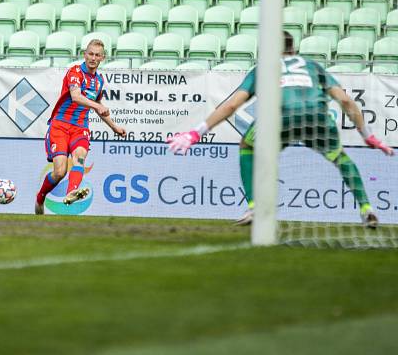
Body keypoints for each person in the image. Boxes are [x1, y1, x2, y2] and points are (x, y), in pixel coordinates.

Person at [168, 31, 394, 228]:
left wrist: (196, 133)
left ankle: (255, 207)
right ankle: (366, 207)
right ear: (293, 49)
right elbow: (345, 101)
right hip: (317, 117)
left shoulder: (264, 68)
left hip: (280, 117)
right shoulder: (313, 66)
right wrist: (368, 135)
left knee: (247, 146)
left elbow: (231, 105)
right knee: (340, 157)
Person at [35, 39, 126, 215]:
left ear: (103, 58)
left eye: (97, 55)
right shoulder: (75, 72)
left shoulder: (99, 81)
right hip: (60, 126)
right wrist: (97, 105)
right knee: (60, 171)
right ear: (84, 54)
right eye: (90, 54)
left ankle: (71, 192)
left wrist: (114, 127)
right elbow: (76, 97)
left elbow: (98, 106)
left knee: (80, 157)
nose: (93, 58)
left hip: (80, 128)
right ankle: (41, 197)